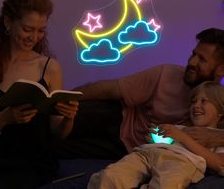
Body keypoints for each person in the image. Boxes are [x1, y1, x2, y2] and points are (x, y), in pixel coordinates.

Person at [76, 28, 224, 154]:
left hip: (130, 149)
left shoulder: (219, 102)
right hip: (119, 119)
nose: (192, 62)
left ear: (221, 69)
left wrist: (216, 137)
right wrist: (65, 96)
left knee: (64, 148)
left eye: (202, 59)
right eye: (193, 54)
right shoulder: (167, 73)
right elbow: (111, 89)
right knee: (67, 114)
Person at [0, 0, 78, 188]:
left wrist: (68, 118)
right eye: (27, 29)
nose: (34, 37)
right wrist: (4, 119)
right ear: (8, 22)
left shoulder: (49, 68)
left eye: (41, 30)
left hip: (33, 166)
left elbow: (58, 133)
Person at [87, 81, 224, 189]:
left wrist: (184, 138)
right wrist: (155, 136)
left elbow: (219, 163)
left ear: (220, 112)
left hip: (182, 163)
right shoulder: (180, 128)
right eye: (193, 102)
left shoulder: (219, 138)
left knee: (166, 184)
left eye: (204, 101)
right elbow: (163, 141)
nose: (196, 105)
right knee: (110, 177)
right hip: (148, 153)